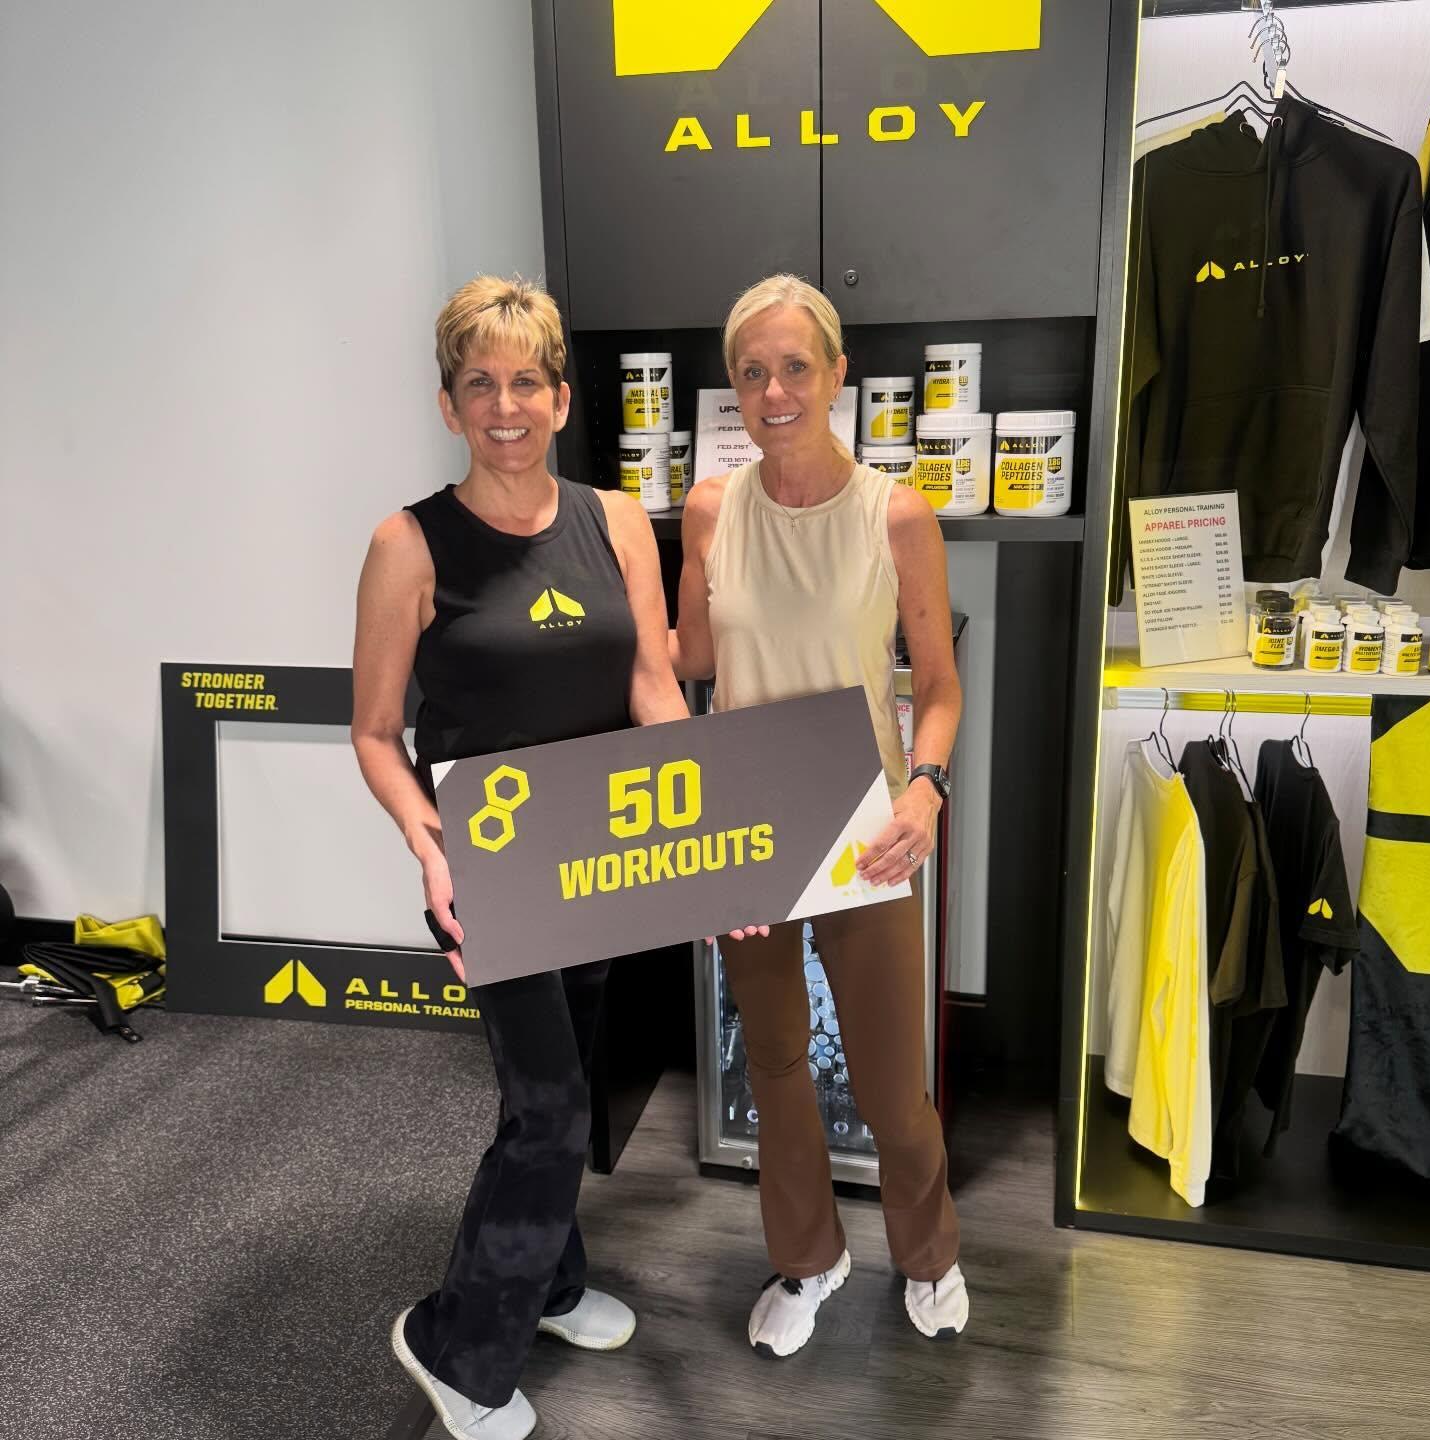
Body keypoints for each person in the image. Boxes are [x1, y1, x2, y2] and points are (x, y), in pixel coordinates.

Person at [352, 275, 690, 1439]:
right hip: (483, 863)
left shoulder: (617, 520)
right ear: (450, 405)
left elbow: (651, 682)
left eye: (527, 383)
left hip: (597, 848)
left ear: (560, 398)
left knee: (566, 1080)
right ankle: (456, 1343)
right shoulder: (407, 544)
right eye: (480, 384)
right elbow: (374, 733)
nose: (506, 406)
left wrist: (715, 834)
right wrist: (427, 846)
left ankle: (546, 1282)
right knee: (547, 1108)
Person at [671, 274, 968, 1357]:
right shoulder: (710, 508)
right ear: (733, 390)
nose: (773, 390)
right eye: (751, 372)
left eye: (796, 366)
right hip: (745, 825)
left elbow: (936, 686)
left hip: (865, 826)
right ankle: (809, 1257)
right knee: (779, 1066)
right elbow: (690, 662)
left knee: (893, 1090)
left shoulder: (896, 514)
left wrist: (927, 787)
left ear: (839, 376)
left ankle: (929, 1253)